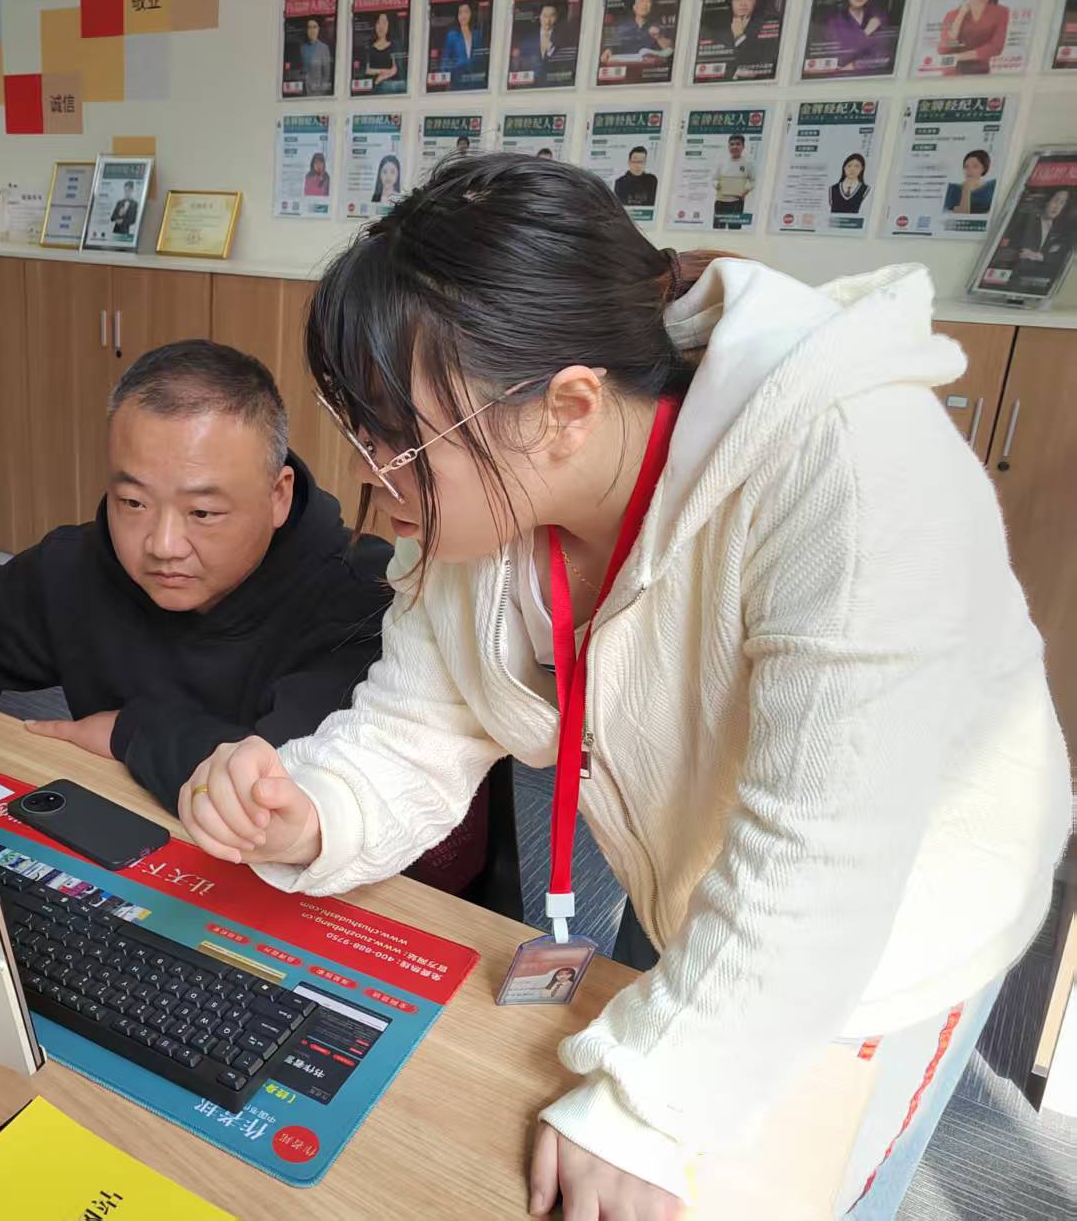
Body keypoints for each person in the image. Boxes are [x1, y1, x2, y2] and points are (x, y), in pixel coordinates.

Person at [176, 152, 1068, 1220]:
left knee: (827, 1167)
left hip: (889, 910)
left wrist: (646, 1102)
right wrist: (310, 810)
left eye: (403, 440)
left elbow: (823, 860)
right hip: (703, 876)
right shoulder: (488, 500)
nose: (373, 471)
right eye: (363, 432)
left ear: (566, 407)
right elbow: (409, 731)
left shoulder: (850, 464)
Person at [0, 340, 392, 812]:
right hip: (116, 824)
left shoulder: (364, 596)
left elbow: (287, 787)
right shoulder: (79, 564)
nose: (163, 545)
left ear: (278, 496)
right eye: (134, 503)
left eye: (202, 512)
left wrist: (131, 732)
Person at [937, 0, 1007, 75]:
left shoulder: (1001, 12)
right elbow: (943, 48)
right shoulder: (952, 14)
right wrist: (962, 13)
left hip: (981, 75)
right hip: (952, 76)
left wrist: (959, 57)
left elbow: (995, 47)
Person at [1004, 187, 1072, 285]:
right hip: (1016, 276)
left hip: (1043, 280)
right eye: (1056, 200)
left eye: (1062, 203)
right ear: (1047, 201)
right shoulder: (1027, 221)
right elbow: (1019, 251)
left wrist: (1039, 256)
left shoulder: (1061, 231)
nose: (1057, 206)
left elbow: (1061, 257)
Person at [705, 0, 772, 79]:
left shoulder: (767, 27)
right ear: (731, 1)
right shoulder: (718, 30)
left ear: (756, 1)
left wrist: (739, 37)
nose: (743, 3)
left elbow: (762, 62)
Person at [826, 0, 889, 72]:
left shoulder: (876, 17)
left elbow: (883, 56)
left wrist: (856, 65)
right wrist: (866, 32)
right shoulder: (835, 21)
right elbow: (841, 59)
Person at [600, 0, 673, 63]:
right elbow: (607, 49)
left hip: (647, 67)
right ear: (634, 7)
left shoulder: (659, 27)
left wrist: (659, 37)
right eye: (642, 1)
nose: (644, 4)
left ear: (652, 7)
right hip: (623, 64)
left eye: (649, 2)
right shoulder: (619, 25)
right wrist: (608, 50)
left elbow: (670, 50)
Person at [513, 2, 573, 85]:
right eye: (545, 16)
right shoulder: (528, 40)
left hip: (556, 86)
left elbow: (567, 66)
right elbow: (519, 66)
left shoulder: (564, 39)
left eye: (552, 16)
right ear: (539, 17)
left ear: (556, 17)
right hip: (530, 86)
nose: (548, 20)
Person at [712, 132, 756, 228]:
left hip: (737, 202)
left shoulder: (748, 164)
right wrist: (716, 185)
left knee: (734, 229)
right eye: (732, 144)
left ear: (743, 146)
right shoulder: (721, 163)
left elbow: (753, 180)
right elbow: (714, 179)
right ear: (728, 147)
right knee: (718, 230)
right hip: (720, 202)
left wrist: (746, 190)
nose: (734, 147)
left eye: (738, 144)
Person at [439, 0, 484, 87]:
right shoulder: (452, 36)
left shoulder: (477, 35)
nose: (463, 16)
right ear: (457, 16)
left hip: (475, 83)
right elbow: (445, 62)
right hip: (457, 82)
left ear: (471, 14)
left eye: (466, 12)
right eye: (460, 13)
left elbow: (481, 59)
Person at [943, 149, 995, 215]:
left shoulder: (991, 186)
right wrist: (966, 188)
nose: (969, 170)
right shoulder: (952, 189)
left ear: (983, 168)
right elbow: (963, 213)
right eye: (966, 166)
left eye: (975, 166)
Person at [365, 11, 400, 91]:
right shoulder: (369, 45)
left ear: (389, 25)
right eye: (378, 23)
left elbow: (394, 70)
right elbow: (366, 69)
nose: (381, 26)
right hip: (370, 86)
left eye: (384, 23)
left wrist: (380, 78)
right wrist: (382, 71)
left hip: (389, 86)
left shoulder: (394, 45)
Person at [299, 17, 333, 96]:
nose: (312, 30)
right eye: (309, 27)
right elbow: (302, 69)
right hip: (303, 92)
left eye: (314, 27)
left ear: (318, 29)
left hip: (317, 93)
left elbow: (327, 75)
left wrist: (321, 93)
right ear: (306, 30)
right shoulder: (302, 48)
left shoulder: (324, 48)